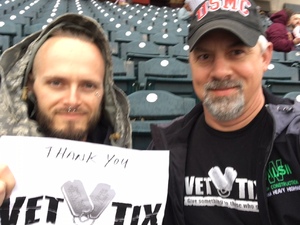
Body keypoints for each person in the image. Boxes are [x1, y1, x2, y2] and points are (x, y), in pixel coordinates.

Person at [149, 0, 300, 224]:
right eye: (205, 57)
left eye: (236, 52)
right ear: (190, 63)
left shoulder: (295, 137)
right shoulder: (164, 147)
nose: (220, 72)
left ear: (265, 57)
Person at [0, 14, 132, 204]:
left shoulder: (122, 164)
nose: (72, 101)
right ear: (30, 84)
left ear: (105, 92)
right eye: (56, 83)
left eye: (88, 86)